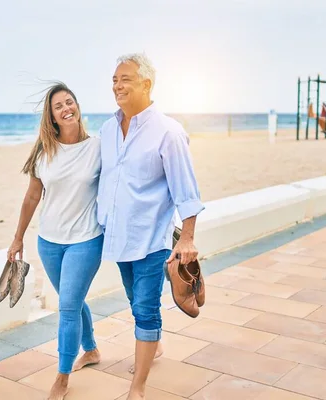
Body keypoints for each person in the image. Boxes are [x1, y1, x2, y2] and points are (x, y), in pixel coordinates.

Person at [97, 53, 205, 400]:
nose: (117, 86)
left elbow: (186, 190)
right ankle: (154, 346)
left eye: (125, 79)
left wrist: (186, 238)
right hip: (117, 237)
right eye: (114, 79)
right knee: (134, 301)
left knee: (145, 308)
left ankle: (138, 388)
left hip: (152, 237)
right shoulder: (107, 129)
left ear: (146, 84)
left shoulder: (169, 132)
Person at [7, 82, 103, 400]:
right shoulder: (44, 150)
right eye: (58, 106)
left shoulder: (99, 147)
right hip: (48, 242)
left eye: (69, 101)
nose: (66, 108)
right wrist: (18, 238)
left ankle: (61, 378)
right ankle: (90, 349)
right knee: (71, 300)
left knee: (68, 307)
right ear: (52, 117)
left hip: (86, 240)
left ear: (77, 105)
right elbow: (32, 196)